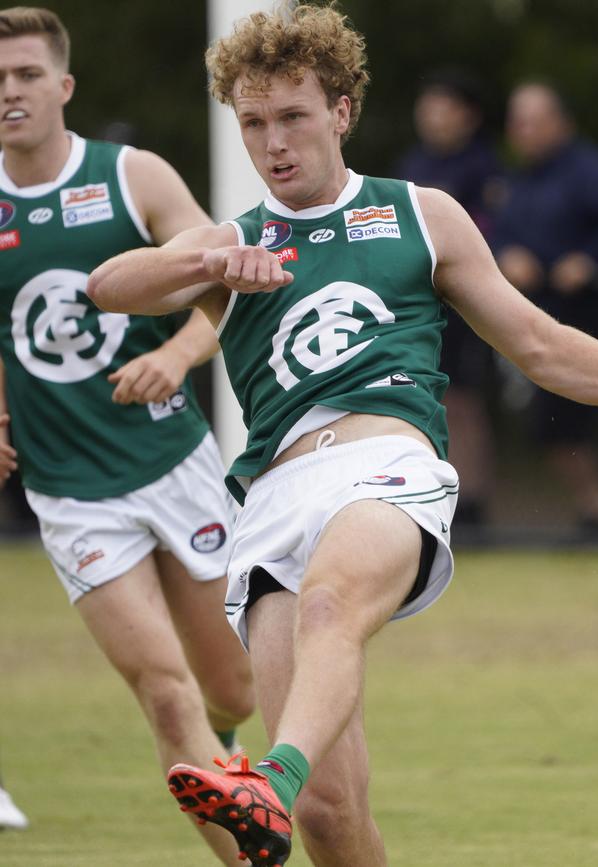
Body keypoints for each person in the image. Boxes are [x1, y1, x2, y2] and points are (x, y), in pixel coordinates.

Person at [88, 5, 598, 866]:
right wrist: (206, 260)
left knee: (330, 607)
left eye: (294, 117)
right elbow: (108, 284)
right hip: (273, 499)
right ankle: (286, 790)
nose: (274, 142)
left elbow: (539, 345)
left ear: (341, 112)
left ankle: (262, 781)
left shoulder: (421, 213)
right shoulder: (234, 243)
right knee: (328, 815)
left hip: (386, 466)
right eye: (254, 123)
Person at [0, 8, 255, 865]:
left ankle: (231, 754)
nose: (10, 92)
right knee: (164, 689)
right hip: (70, 490)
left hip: (174, 460)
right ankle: (250, 856)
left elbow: (221, 285)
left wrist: (179, 355)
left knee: (233, 686)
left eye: (27, 75)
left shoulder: (131, 177)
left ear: (63, 86)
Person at [492, 81, 598, 537]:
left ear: (560, 123)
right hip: (552, 317)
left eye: (531, 120)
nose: (521, 130)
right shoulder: (515, 180)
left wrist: (590, 258)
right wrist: (506, 252)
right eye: (516, 121)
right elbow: (497, 233)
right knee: (553, 421)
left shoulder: (593, 170)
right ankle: (596, 508)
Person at [395, 69, 503, 531]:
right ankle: (432, 496)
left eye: (443, 105)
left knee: (466, 400)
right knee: (425, 396)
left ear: (467, 115)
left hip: (464, 302)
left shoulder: (484, 166)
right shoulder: (411, 163)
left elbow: (495, 228)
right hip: (423, 302)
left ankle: (474, 500)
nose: (431, 115)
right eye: (427, 103)